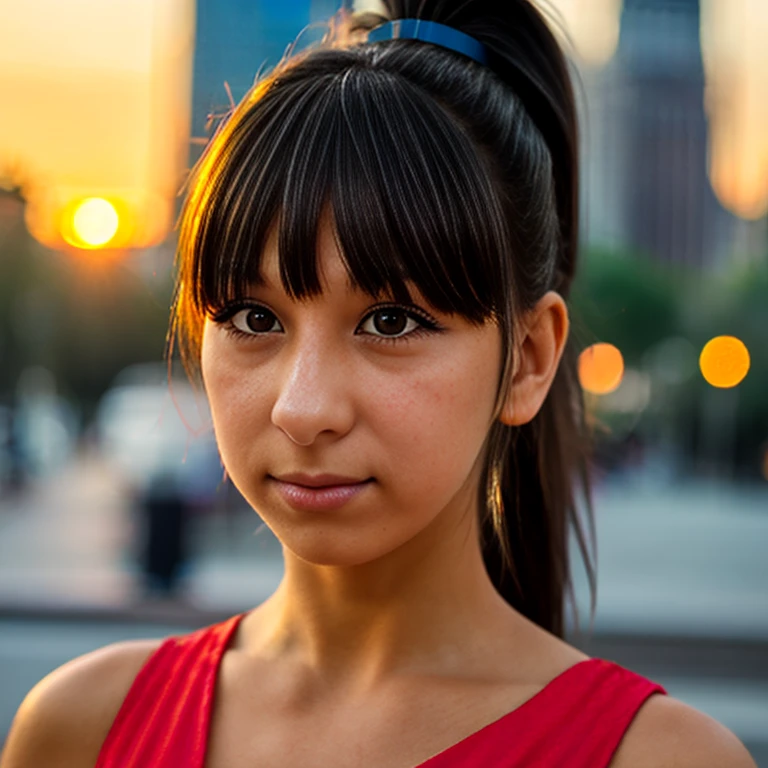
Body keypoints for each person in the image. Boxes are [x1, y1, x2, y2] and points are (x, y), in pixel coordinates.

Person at [0, 2, 757, 766]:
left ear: (527, 360)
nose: (303, 409)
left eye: (391, 322)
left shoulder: (660, 757)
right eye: (253, 318)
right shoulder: (79, 729)